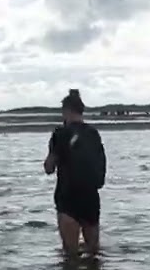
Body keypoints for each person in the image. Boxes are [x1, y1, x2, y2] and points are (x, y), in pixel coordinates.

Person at [44, 89, 106, 255]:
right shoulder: (93, 133)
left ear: (66, 111)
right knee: (94, 253)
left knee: (70, 254)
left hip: (68, 196)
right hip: (91, 196)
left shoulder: (60, 134)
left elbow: (49, 168)